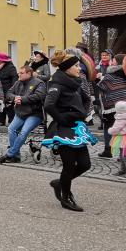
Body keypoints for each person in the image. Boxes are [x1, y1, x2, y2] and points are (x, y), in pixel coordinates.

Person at [43, 52, 96, 211]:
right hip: (64, 129)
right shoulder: (56, 84)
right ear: (67, 68)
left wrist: (83, 114)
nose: (79, 68)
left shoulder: (76, 83)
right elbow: (48, 105)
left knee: (85, 164)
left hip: (77, 127)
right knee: (69, 165)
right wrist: (62, 118)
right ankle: (65, 198)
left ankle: (59, 183)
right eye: (76, 66)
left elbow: (87, 99)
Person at [0, 65, 47, 163]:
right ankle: (16, 156)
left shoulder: (39, 83)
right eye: (19, 73)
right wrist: (15, 98)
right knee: (11, 129)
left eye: (21, 73)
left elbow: (40, 96)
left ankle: (10, 154)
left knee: (24, 132)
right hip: (20, 112)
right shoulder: (18, 83)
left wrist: (22, 99)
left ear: (29, 73)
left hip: (34, 114)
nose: (19, 75)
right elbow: (8, 93)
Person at [96, 54, 126, 158]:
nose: (112, 61)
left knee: (109, 126)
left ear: (117, 62)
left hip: (113, 106)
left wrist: (99, 78)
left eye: (113, 60)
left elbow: (102, 86)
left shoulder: (111, 74)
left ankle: (108, 150)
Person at [0, 53, 19, 127]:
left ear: (2, 60)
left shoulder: (11, 67)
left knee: (9, 106)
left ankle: (11, 121)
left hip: (8, 90)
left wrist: (12, 90)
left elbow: (15, 79)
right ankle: (1, 121)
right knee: (0, 104)